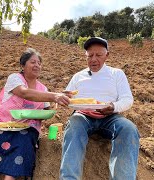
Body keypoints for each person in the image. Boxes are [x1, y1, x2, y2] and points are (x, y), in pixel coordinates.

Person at [0, 48, 70, 180]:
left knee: (22, 140)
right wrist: (55, 96)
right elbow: (24, 92)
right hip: (3, 123)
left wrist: (51, 105)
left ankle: (10, 178)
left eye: (39, 63)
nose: (37, 65)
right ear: (23, 65)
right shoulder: (15, 78)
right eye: (33, 62)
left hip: (27, 128)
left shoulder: (43, 89)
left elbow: (45, 111)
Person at [60, 37, 140, 180]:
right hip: (83, 116)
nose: (93, 59)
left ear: (107, 55)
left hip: (110, 117)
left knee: (128, 128)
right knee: (73, 126)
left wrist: (113, 106)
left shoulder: (116, 74)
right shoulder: (78, 77)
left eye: (98, 55)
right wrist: (65, 97)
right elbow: (68, 98)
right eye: (90, 56)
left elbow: (127, 99)